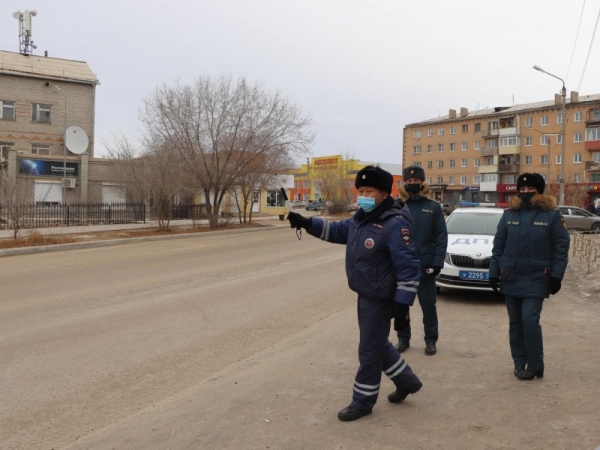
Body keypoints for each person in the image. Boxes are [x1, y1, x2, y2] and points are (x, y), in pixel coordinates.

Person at [287, 166, 423, 422]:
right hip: (365, 293)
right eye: (360, 191)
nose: (363, 196)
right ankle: (407, 381)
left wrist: (402, 306)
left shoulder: (394, 224)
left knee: (369, 351)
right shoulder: (362, 218)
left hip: (381, 298)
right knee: (377, 343)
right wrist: (307, 223)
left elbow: (408, 266)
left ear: (384, 193)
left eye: (368, 191)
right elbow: (338, 231)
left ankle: (363, 402)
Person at [489, 173, 570, 380]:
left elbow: (561, 249)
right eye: (522, 190)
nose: (525, 193)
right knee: (515, 322)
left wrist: (556, 276)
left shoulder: (552, 216)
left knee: (529, 319)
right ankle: (519, 362)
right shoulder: (509, 215)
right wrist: (493, 273)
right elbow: (498, 247)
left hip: (537, 276)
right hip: (511, 275)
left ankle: (536, 365)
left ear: (539, 191)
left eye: (530, 189)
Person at [393, 166, 448, 356]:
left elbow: (441, 237)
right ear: (405, 183)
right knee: (401, 305)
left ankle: (431, 340)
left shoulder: (432, 207)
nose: (413, 184)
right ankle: (403, 338)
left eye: (417, 181)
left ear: (422, 182)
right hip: (401, 267)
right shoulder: (397, 205)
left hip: (425, 268)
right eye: (409, 181)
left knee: (428, 307)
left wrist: (437, 263)